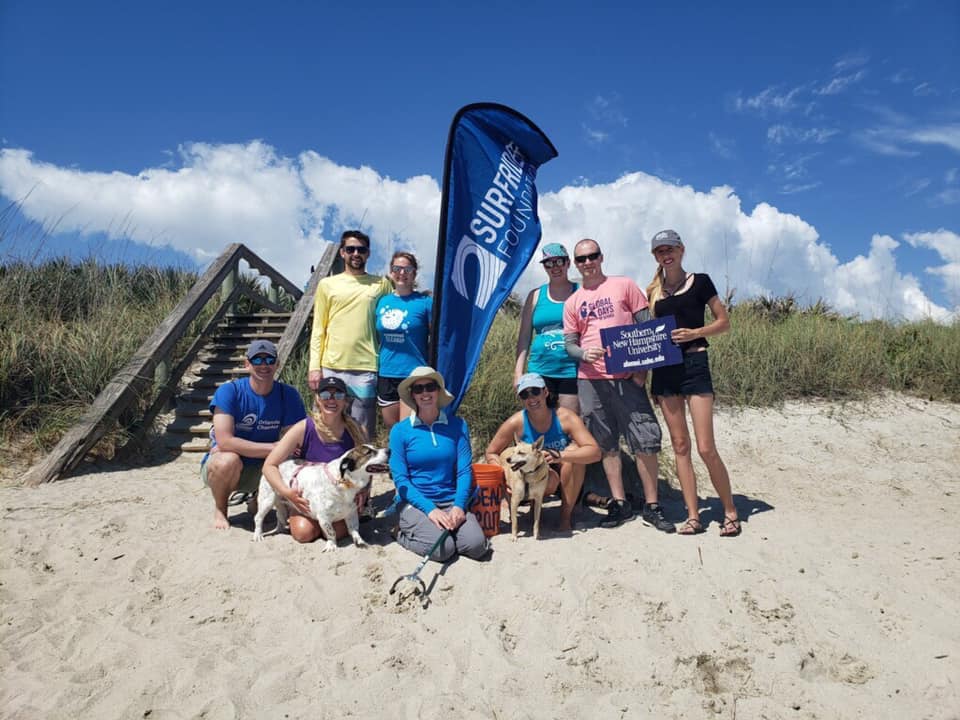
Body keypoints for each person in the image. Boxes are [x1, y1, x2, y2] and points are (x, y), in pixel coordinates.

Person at [562, 238, 674, 532]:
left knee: (645, 440)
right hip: (590, 379)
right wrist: (585, 354)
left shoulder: (624, 285)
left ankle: (652, 505)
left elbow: (649, 328)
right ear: (576, 264)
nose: (587, 263)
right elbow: (570, 345)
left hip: (627, 378)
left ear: (601, 257)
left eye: (592, 256)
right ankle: (620, 502)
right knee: (606, 444)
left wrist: (642, 370)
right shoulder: (573, 302)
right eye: (582, 259)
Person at [646, 229, 740, 537]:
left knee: (705, 446)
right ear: (655, 256)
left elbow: (723, 322)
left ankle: (730, 511)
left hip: (695, 364)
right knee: (680, 446)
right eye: (659, 251)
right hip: (664, 369)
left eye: (670, 248)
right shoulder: (653, 290)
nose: (665, 254)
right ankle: (693, 515)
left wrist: (695, 333)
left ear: (681, 249)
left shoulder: (700, 281)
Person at [201, 339, 306, 529]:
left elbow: (296, 438)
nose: (264, 365)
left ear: (277, 364)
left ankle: (257, 500)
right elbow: (225, 442)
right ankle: (220, 509)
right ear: (247, 364)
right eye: (257, 360)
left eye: (269, 360)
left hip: (267, 466)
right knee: (227, 460)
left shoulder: (288, 394)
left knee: (294, 460)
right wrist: (275, 448)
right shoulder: (229, 391)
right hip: (233, 466)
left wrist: (282, 449)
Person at [388, 366, 489, 561]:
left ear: (438, 391)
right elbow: (400, 480)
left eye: (430, 387)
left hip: (451, 501)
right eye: (418, 389)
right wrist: (430, 510)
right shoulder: (400, 431)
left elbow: (464, 471)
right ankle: (399, 533)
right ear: (413, 395)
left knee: (476, 546)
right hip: (415, 503)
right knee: (443, 550)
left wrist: (459, 506)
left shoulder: (458, 425)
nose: (425, 393)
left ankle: (444, 530)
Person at [484, 373, 601, 532]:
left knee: (573, 452)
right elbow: (491, 452)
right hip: (532, 476)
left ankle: (565, 518)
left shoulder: (565, 417)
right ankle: (532, 510)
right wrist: (504, 475)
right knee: (542, 473)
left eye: (535, 391)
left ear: (545, 392)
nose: (531, 398)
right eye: (525, 394)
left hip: (562, 473)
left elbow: (595, 452)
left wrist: (561, 456)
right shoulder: (516, 422)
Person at [260, 377, 370, 543]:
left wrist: (364, 490)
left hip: (341, 498)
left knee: (336, 533)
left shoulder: (356, 429)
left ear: (346, 401)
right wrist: (287, 492)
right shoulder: (303, 428)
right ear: (318, 399)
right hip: (308, 497)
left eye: (338, 395)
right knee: (304, 533)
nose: (331, 400)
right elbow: (269, 465)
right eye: (325, 394)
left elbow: (368, 466)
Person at [308, 230, 393, 440]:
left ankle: (360, 471)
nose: (356, 253)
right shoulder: (327, 285)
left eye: (361, 249)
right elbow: (319, 328)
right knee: (325, 427)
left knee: (362, 432)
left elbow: (393, 316)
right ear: (342, 253)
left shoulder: (381, 284)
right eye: (350, 249)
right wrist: (314, 368)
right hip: (331, 367)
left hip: (366, 369)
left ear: (368, 254)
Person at [514, 243, 580, 413]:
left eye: (559, 261)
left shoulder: (580, 291)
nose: (554, 267)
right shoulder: (535, 295)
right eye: (548, 263)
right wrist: (518, 373)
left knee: (570, 423)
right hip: (539, 370)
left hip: (572, 370)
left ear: (568, 263)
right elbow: (524, 337)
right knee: (541, 423)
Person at [375, 251, 432, 429]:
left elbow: (437, 339)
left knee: (408, 428)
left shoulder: (425, 302)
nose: (402, 273)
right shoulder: (382, 302)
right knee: (393, 430)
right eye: (397, 268)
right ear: (391, 272)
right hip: (386, 373)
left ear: (414, 273)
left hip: (413, 374)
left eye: (407, 269)